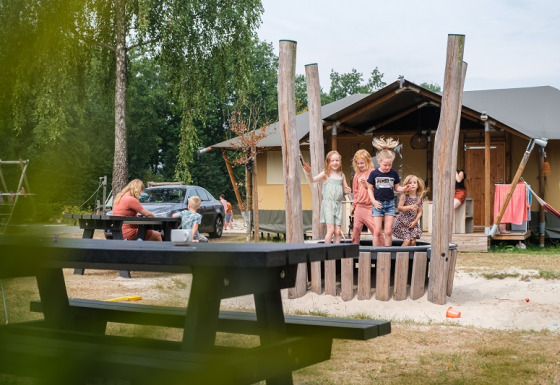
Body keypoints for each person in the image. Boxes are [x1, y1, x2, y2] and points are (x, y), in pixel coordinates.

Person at [367, 137, 410, 246]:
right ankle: (375, 252)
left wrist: (404, 189)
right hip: (378, 204)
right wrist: (373, 202)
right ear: (379, 162)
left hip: (390, 204)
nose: (387, 167)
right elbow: (369, 189)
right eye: (385, 165)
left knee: (388, 231)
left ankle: (387, 252)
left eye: (390, 165)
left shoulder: (393, 173)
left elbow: (397, 188)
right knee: (376, 231)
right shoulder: (374, 174)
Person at [303, 150, 352, 244]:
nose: (335, 163)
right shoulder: (326, 173)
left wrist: (347, 190)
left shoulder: (342, 175)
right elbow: (313, 180)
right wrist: (309, 172)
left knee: (338, 231)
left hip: (338, 205)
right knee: (331, 230)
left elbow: (345, 189)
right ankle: (327, 250)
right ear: (328, 162)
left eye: (337, 160)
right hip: (328, 204)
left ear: (340, 161)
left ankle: (336, 252)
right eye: (332, 160)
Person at [350, 149, 378, 245]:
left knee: (375, 228)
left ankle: (382, 248)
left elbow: (376, 189)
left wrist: (366, 185)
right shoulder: (357, 175)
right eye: (358, 163)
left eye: (362, 163)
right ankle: (354, 247)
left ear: (368, 161)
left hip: (370, 206)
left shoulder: (373, 173)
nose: (360, 165)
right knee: (356, 228)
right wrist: (353, 206)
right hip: (359, 206)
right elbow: (355, 192)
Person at [392, 175, 427, 246]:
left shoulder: (419, 199)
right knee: (407, 241)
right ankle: (400, 255)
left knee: (413, 242)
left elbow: (420, 212)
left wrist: (415, 222)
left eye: (414, 183)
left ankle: (411, 256)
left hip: (413, 223)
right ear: (407, 186)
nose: (413, 184)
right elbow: (399, 208)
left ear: (417, 185)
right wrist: (410, 207)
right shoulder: (404, 197)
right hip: (403, 222)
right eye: (410, 183)